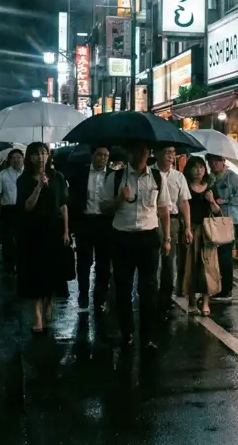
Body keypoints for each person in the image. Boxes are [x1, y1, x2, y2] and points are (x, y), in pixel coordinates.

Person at [103, 141, 170, 349]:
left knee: (149, 289)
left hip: (148, 238)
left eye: (145, 150)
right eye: (137, 150)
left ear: (149, 152)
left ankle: (147, 337)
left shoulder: (157, 177)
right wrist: (119, 199)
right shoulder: (115, 177)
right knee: (122, 288)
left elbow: (164, 210)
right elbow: (104, 208)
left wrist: (167, 238)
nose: (141, 155)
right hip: (122, 238)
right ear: (128, 152)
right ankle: (127, 333)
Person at [16, 142, 70, 334]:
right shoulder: (23, 180)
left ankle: (49, 300)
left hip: (54, 230)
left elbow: (63, 206)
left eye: (44, 153)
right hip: (33, 231)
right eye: (36, 154)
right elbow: (26, 207)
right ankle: (37, 314)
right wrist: (38, 187)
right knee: (35, 272)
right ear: (29, 158)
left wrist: (66, 231)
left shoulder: (58, 177)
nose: (41, 158)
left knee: (52, 271)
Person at [69, 145, 112, 313]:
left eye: (106, 155)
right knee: (84, 261)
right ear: (93, 156)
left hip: (104, 223)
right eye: (100, 155)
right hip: (85, 221)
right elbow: (73, 198)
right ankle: (83, 292)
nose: (103, 158)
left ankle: (100, 297)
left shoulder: (112, 176)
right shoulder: (81, 173)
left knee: (104, 263)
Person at [182, 156, 222, 316]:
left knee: (208, 267)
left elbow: (218, 212)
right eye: (195, 167)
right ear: (189, 169)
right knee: (190, 266)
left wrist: (212, 201)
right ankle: (192, 301)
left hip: (207, 231)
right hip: (190, 229)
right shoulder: (185, 186)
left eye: (201, 167)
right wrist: (186, 227)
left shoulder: (211, 187)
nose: (199, 170)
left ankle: (205, 302)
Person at [157, 145, 192, 313]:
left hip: (172, 221)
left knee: (169, 261)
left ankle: (166, 295)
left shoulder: (179, 177)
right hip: (152, 220)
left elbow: (184, 202)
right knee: (151, 260)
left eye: (173, 153)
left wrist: (188, 228)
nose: (171, 156)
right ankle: (151, 293)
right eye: (167, 152)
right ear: (156, 154)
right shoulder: (149, 173)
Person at [207, 154, 238, 298]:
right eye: (211, 161)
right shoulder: (209, 178)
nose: (214, 164)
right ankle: (216, 286)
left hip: (228, 221)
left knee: (225, 256)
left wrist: (225, 201)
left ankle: (227, 289)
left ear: (223, 161)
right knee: (213, 256)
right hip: (213, 220)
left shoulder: (232, 177)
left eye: (217, 161)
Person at [0, 149, 24, 272]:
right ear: (10, 160)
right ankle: (9, 267)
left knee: (22, 238)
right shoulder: (2, 175)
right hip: (8, 210)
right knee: (8, 239)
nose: (16, 160)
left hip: (24, 210)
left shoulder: (27, 173)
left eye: (19, 157)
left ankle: (21, 264)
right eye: (13, 158)